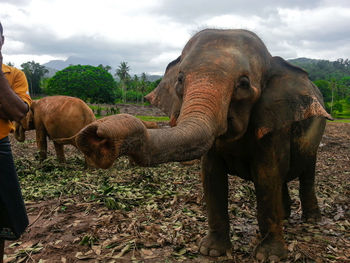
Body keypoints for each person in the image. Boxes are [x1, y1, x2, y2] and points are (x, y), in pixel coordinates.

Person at [0, 21, 32, 262]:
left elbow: (19, 112)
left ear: (2, 41)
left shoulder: (15, 75)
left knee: (2, 219)